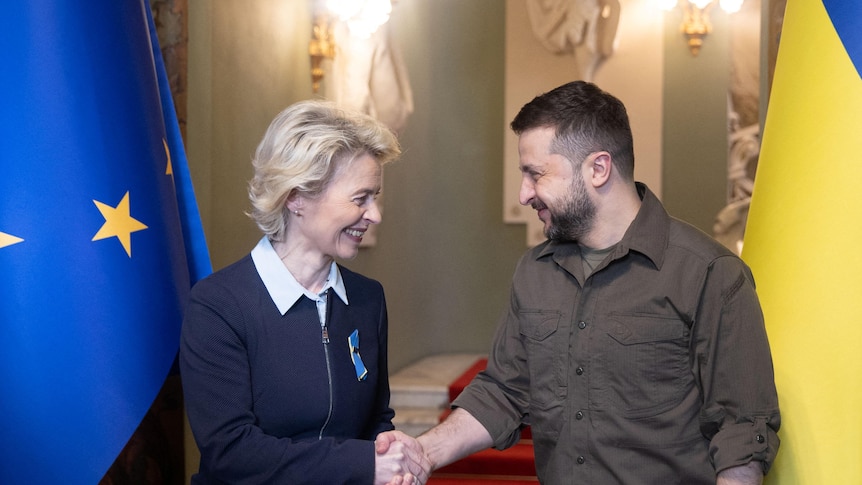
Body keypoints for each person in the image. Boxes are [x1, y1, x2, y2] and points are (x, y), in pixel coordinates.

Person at [380, 81, 780, 485]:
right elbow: (503, 391)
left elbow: (742, 432)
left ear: (598, 168)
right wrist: (424, 452)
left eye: (535, 175)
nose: (523, 194)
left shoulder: (710, 273)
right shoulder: (534, 272)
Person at [180, 100, 430, 484]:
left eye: (375, 197)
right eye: (360, 198)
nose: (375, 214)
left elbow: (375, 419)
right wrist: (364, 464)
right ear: (296, 196)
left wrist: (389, 452)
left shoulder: (368, 299)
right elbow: (231, 451)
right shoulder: (218, 305)